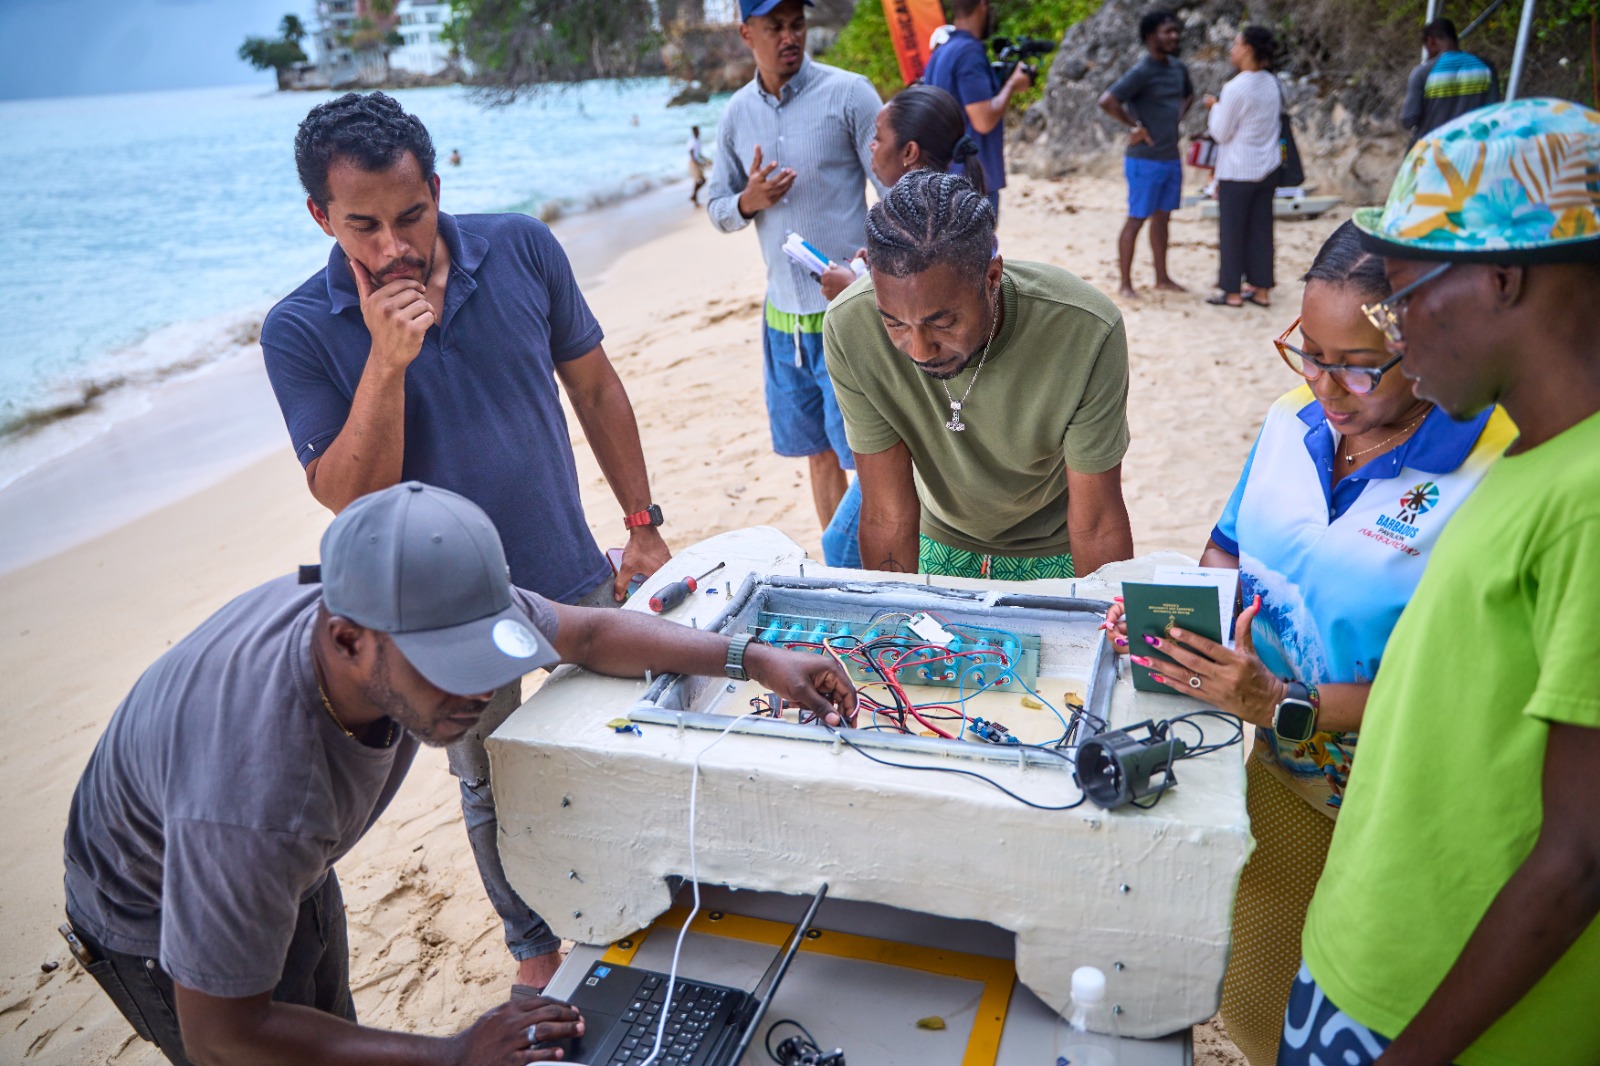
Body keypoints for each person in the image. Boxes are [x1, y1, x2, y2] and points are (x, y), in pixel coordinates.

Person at [61, 482, 857, 1066]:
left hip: (286, 871)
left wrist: (751, 658)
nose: (475, 694)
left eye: (489, 655)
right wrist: (453, 1053)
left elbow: (586, 635)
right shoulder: (257, 794)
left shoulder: (430, 602)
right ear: (344, 641)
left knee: (328, 1023)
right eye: (448, 670)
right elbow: (224, 1033)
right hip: (151, 915)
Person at [260, 91, 672, 994]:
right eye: (361, 226)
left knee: (628, 736)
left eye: (411, 214)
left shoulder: (521, 245)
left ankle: (654, 905)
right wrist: (385, 360)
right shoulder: (298, 329)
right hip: (441, 616)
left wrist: (642, 527)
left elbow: (596, 390)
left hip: (570, 567)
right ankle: (537, 954)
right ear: (318, 217)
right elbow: (347, 495)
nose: (393, 246)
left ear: (437, 187)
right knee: (489, 781)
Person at [1104, 219, 1514, 1064]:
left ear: (1424, 336)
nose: (1328, 386)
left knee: (1372, 1022)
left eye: (1359, 365)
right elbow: (1232, 545)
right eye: (1310, 353)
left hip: (1409, 806)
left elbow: (1459, 680)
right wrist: (1181, 625)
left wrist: (1284, 702)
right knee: (1253, 1007)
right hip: (1287, 782)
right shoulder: (1292, 421)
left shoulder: (1490, 469)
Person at [1284, 99, 1600, 1066]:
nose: (1395, 332)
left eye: (1405, 298)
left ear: (1503, 278)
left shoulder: (1588, 496)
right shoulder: (1536, 460)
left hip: (1442, 1020)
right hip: (1370, 961)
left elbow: (1582, 850)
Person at [825, 170, 1134, 581]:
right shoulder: (850, 327)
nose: (919, 350)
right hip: (937, 540)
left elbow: (1096, 524)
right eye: (894, 323)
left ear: (991, 278)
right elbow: (886, 513)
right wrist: (893, 623)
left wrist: (1107, 623)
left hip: (1056, 549)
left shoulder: (1086, 330)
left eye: (943, 322)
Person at [706, 0, 882, 537]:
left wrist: (868, 272)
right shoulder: (737, 113)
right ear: (746, 34)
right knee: (819, 454)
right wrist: (748, 200)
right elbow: (717, 208)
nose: (790, 36)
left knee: (868, 459)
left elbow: (897, 192)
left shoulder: (850, 93)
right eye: (775, 26)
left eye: (797, 24)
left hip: (849, 312)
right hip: (783, 320)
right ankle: (841, 571)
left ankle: (871, 565)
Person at [816, 83, 989, 570]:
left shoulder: (944, 227)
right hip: (928, 414)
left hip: (929, 414)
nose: (871, 148)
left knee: (844, 543)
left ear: (909, 152)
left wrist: (857, 289)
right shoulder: (959, 211)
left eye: (878, 138)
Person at [1099, 9, 1193, 298]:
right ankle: (1125, 283)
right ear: (1151, 37)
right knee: (1137, 218)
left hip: (1170, 156)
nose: (1174, 36)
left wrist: (1176, 118)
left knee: (1163, 218)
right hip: (1144, 159)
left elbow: (1189, 94)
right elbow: (1107, 101)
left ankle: (1162, 277)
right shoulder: (1142, 70)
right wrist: (1135, 126)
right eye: (1168, 31)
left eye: (1176, 31)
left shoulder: (1178, 68)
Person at [920, 0, 1033, 218]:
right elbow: (983, 119)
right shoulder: (969, 52)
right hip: (972, 179)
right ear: (982, 5)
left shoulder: (943, 50)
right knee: (978, 250)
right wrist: (1012, 85)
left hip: (944, 176)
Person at [1204, 26, 1284, 309]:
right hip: (1268, 165)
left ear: (1247, 49)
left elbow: (1221, 133)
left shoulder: (1235, 87)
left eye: (1236, 44)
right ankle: (1261, 289)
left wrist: (1214, 106)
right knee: (1261, 230)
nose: (1232, 50)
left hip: (1238, 168)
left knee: (1232, 231)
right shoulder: (1272, 83)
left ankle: (1232, 291)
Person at [1401, 18, 1501, 141]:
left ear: (1430, 41)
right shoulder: (1486, 67)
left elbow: (1409, 119)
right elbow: (1493, 112)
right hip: (1471, 149)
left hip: (1432, 151)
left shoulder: (1423, 73)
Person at [687, 124, 710, 206]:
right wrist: (697, 163)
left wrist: (705, 159)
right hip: (694, 163)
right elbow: (691, 153)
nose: (698, 132)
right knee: (698, 180)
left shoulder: (698, 140)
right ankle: (694, 198)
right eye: (696, 130)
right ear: (693, 131)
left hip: (697, 161)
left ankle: (694, 196)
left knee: (702, 180)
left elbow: (699, 154)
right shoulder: (692, 141)